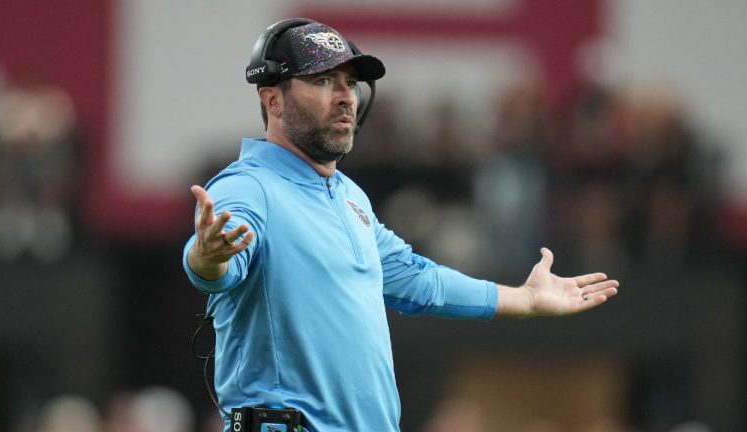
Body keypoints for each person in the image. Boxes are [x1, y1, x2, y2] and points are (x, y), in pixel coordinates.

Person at [182, 18, 619, 432]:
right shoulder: (248, 185)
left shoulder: (349, 197)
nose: (345, 97)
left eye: (350, 83)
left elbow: (417, 280)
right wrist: (208, 258)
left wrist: (523, 299)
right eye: (321, 81)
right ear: (272, 99)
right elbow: (216, 261)